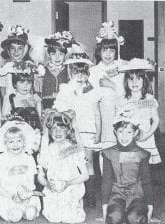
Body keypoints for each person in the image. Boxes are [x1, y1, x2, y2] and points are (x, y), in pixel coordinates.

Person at [54, 48, 101, 207]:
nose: (80, 76)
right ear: (69, 73)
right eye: (76, 73)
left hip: (88, 132)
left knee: (88, 162)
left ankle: (90, 195)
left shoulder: (91, 90)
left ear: (88, 73)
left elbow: (96, 112)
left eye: (83, 72)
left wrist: (99, 131)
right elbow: (62, 111)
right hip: (72, 132)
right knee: (73, 162)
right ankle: (72, 194)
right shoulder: (66, 89)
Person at [101, 110, 154, 224]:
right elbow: (107, 180)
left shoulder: (142, 154)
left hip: (137, 195)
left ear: (135, 133)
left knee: (135, 218)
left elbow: (146, 180)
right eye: (121, 131)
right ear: (115, 131)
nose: (124, 136)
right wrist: (104, 206)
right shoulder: (108, 153)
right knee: (114, 217)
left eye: (129, 132)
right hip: (116, 194)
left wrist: (150, 205)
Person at [37, 109, 88, 223]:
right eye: (54, 128)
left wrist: (68, 183)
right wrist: (47, 184)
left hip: (71, 187)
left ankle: (74, 205)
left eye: (62, 128)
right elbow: (40, 177)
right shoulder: (48, 150)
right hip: (54, 189)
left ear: (68, 131)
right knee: (54, 217)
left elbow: (85, 175)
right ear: (50, 131)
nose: (58, 132)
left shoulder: (72, 148)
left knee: (70, 218)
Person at [0, 125, 41, 222]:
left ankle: (26, 209)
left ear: (24, 142)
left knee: (30, 214)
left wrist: (26, 195)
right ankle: (15, 211)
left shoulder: (29, 159)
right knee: (15, 216)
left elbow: (31, 183)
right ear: (5, 143)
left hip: (26, 195)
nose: (15, 145)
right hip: (6, 194)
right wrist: (11, 196)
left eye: (19, 141)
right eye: (11, 142)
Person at [89, 21, 126, 150]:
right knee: (105, 145)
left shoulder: (122, 68)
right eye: (105, 50)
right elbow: (92, 95)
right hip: (102, 114)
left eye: (112, 51)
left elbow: (126, 92)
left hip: (121, 110)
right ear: (99, 51)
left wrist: (112, 85)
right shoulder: (93, 71)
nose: (108, 54)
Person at [116, 58, 161, 165]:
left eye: (138, 78)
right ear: (126, 81)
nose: (134, 82)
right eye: (131, 79)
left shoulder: (148, 99)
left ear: (144, 80)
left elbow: (155, 120)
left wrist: (148, 135)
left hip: (145, 140)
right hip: (129, 141)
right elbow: (119, 122)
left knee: (145, 171)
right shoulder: (123, 100)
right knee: (130, 169)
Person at [2, 61, 41, 130]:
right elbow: (5, 118)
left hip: (34, 131)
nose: (25, 86)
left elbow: (40, 117)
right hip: (17, 133)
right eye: (21, 82)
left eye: (29, 83)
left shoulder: (35, 98)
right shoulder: (11, 98)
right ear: (14, 84)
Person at [0, 25, 34, 97]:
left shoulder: (30, 66)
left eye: (20, 48)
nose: (16, 52)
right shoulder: (6, 68)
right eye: (12, 48)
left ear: (25, 49)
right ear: (8, 50)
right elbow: (3, 89)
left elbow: (34, 90)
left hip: (27, 103)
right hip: (10, 104)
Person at [40, 31, 73, 109]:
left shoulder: (69, 70)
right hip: (46, 106)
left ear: (65, 55)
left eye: (61, 54)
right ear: (48, 55)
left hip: (65, 106)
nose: (57, 58)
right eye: (53, 54)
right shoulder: (42, 70)